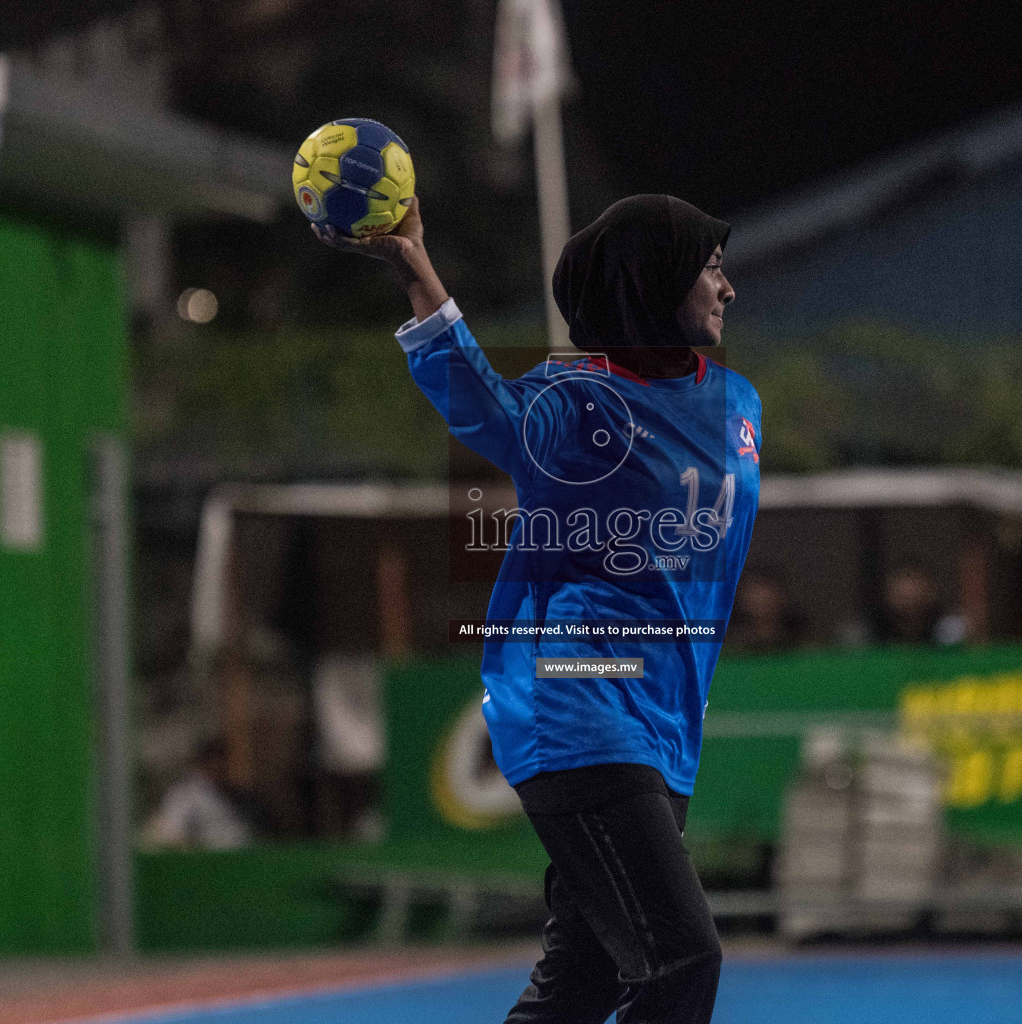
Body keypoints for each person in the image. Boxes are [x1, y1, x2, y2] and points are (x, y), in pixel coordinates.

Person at [315, 192, 759, 1024]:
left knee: (582, 986)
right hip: (578, 706)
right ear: (651, 282)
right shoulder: (572, 403)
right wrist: (417, 270)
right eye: (709, 268)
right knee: (682, 962)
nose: (728, 287)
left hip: (664, 722)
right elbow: (487, 410)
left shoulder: (740, 407)